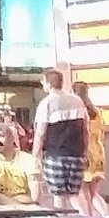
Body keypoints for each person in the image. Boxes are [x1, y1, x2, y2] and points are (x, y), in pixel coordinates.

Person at [30, 70, 89, 208]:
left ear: (48, 83)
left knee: (58, 195)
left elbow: (40, 132)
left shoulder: (47, 103)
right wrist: (85, 152)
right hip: (77, 155)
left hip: (55, 156)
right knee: (75, 195)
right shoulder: (77, 101)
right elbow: (86, 129)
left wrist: (36, 155)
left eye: (43, 81)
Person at [75, 80, 109, 216]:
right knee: (94, 193)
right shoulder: (97, 111)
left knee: (83, 191)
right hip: (99, 152)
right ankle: (105, 216)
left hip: (85, 153)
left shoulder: (79, 112)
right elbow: (102, 132)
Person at [0, 123, 36, 206]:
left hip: (28, 208)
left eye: (1, 135)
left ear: (12, 138)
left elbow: (36, 196)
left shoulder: (28, 160)